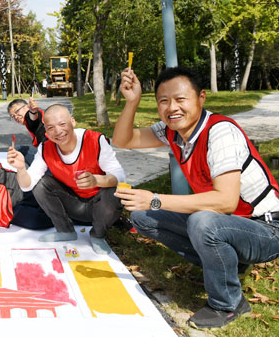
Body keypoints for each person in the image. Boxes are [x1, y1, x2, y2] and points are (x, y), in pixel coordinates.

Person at [112, 66, 279, 329]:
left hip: (266, 228)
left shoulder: (220, 132)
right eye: (163, 101)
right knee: (143, 217)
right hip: (229, 222)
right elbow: (124, 140)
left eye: (181, 99)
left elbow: (225, 201)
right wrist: (132, 101)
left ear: (201, 98)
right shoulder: (172, 131)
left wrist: (155, 198)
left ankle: (229, 303)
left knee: (202, 222)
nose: (172, 108)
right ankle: (226, 267)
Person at [7, 104, 126, 255]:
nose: (58, 131)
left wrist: (96, 181)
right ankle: (65, 230)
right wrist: (21, 169)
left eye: (62, 124)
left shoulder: (95, 140)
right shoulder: (45, 148)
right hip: (73, 204)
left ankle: (98, 235)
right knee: (41, 183)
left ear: (73, 121)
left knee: (115, 191)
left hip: (99, 204)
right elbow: (27, 186)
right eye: (50, 128)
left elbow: (120, 176)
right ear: (46, 131)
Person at [7, 97, 45, 165]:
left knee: (18, 151)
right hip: (49, 152)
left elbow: (32, 119)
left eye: (17, 111)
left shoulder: (29, 117)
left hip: (51, 160)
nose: (16, 117)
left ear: (27, 106)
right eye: (13, 116)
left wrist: (33, 112)